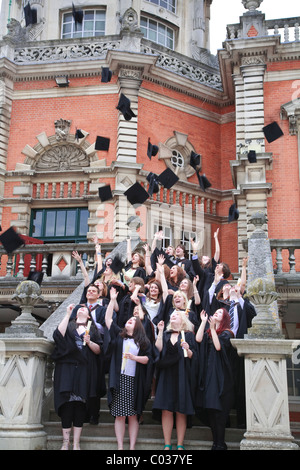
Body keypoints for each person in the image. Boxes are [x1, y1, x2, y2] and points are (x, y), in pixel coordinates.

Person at [105, 287, 153, 450]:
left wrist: (134, 358)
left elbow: (148, 359)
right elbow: (108, 320)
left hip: (134, 380)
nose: (129, 321)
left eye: (132, 321)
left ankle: (132, 447)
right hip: (120, 380)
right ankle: (120, 447)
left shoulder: (143, 342)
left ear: (138, 325)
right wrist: (112, 300)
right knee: (119, 416)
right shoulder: (120, 337)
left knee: (133, 416)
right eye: (128, 321)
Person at [51, 303, 103, 450]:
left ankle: (76, 443)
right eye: (79, 308)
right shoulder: (69, 324)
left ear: (88, 315)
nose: (81, 309)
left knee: (80, 404)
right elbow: (58, 336)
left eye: (84, 308)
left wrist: (89, 341)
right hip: (67, 369)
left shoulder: (92, 328)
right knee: (67, 404)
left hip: (84, 370)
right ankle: (65, 442)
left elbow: (99, 349)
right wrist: (67, 314)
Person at [153, 310, 198, 450]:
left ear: (183, 319)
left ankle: (180, 444)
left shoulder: (189, 335)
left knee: (181, 409)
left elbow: (193, 356)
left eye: (177, 314)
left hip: (181, 373)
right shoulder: (165, 334)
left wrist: (188, 349)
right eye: (171, 314)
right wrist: (160, 332)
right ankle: (167, 444)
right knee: (166, 409)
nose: (173, 315)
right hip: (166, 374)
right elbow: (158, 350)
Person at [195, 308, 234, 450]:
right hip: (208, 374)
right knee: (210, 410)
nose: (215, 313)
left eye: (219, 313)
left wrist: (212, 329)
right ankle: (215, 443)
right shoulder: (209, 333)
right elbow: (198, 339)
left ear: (224, 318)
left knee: (219, 413)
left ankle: (220, 443)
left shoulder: (227, 333)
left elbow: (218, 347)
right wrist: (204, 322)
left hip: (220, 377)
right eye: (215, 312)